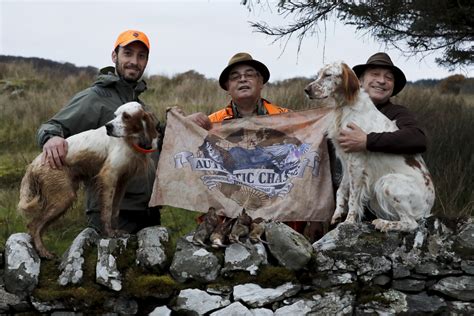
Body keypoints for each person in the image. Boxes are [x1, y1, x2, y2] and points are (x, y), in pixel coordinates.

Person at [189, 52, 326, 240]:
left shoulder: (287, 119)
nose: (243, 79)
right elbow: (189, 158)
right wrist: (184, 124)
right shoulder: (211, 123)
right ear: (227, 88)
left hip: (278, 208)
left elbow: (310, 158)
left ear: (261, 82)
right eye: (235, 77)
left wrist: (315, 217)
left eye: (250, 74)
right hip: (230, 207)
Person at [37, 29, 162, 234]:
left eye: (141, 56)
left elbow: (157, 140)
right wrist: (50, 137)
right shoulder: (95, 97)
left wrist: (183, 123)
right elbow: (53, 125)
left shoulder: (139, 106)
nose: (134, 61)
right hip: (114, 214)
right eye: (128, 53)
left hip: (146, 211)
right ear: (115, 56)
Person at [338, 52, 427, 154]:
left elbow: (417, 138)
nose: (382, 81)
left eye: (389, 78)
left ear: (393, 86)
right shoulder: (343, 112)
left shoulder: (397, 113)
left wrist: (367, 141)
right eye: (375, 74)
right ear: (360, 81)